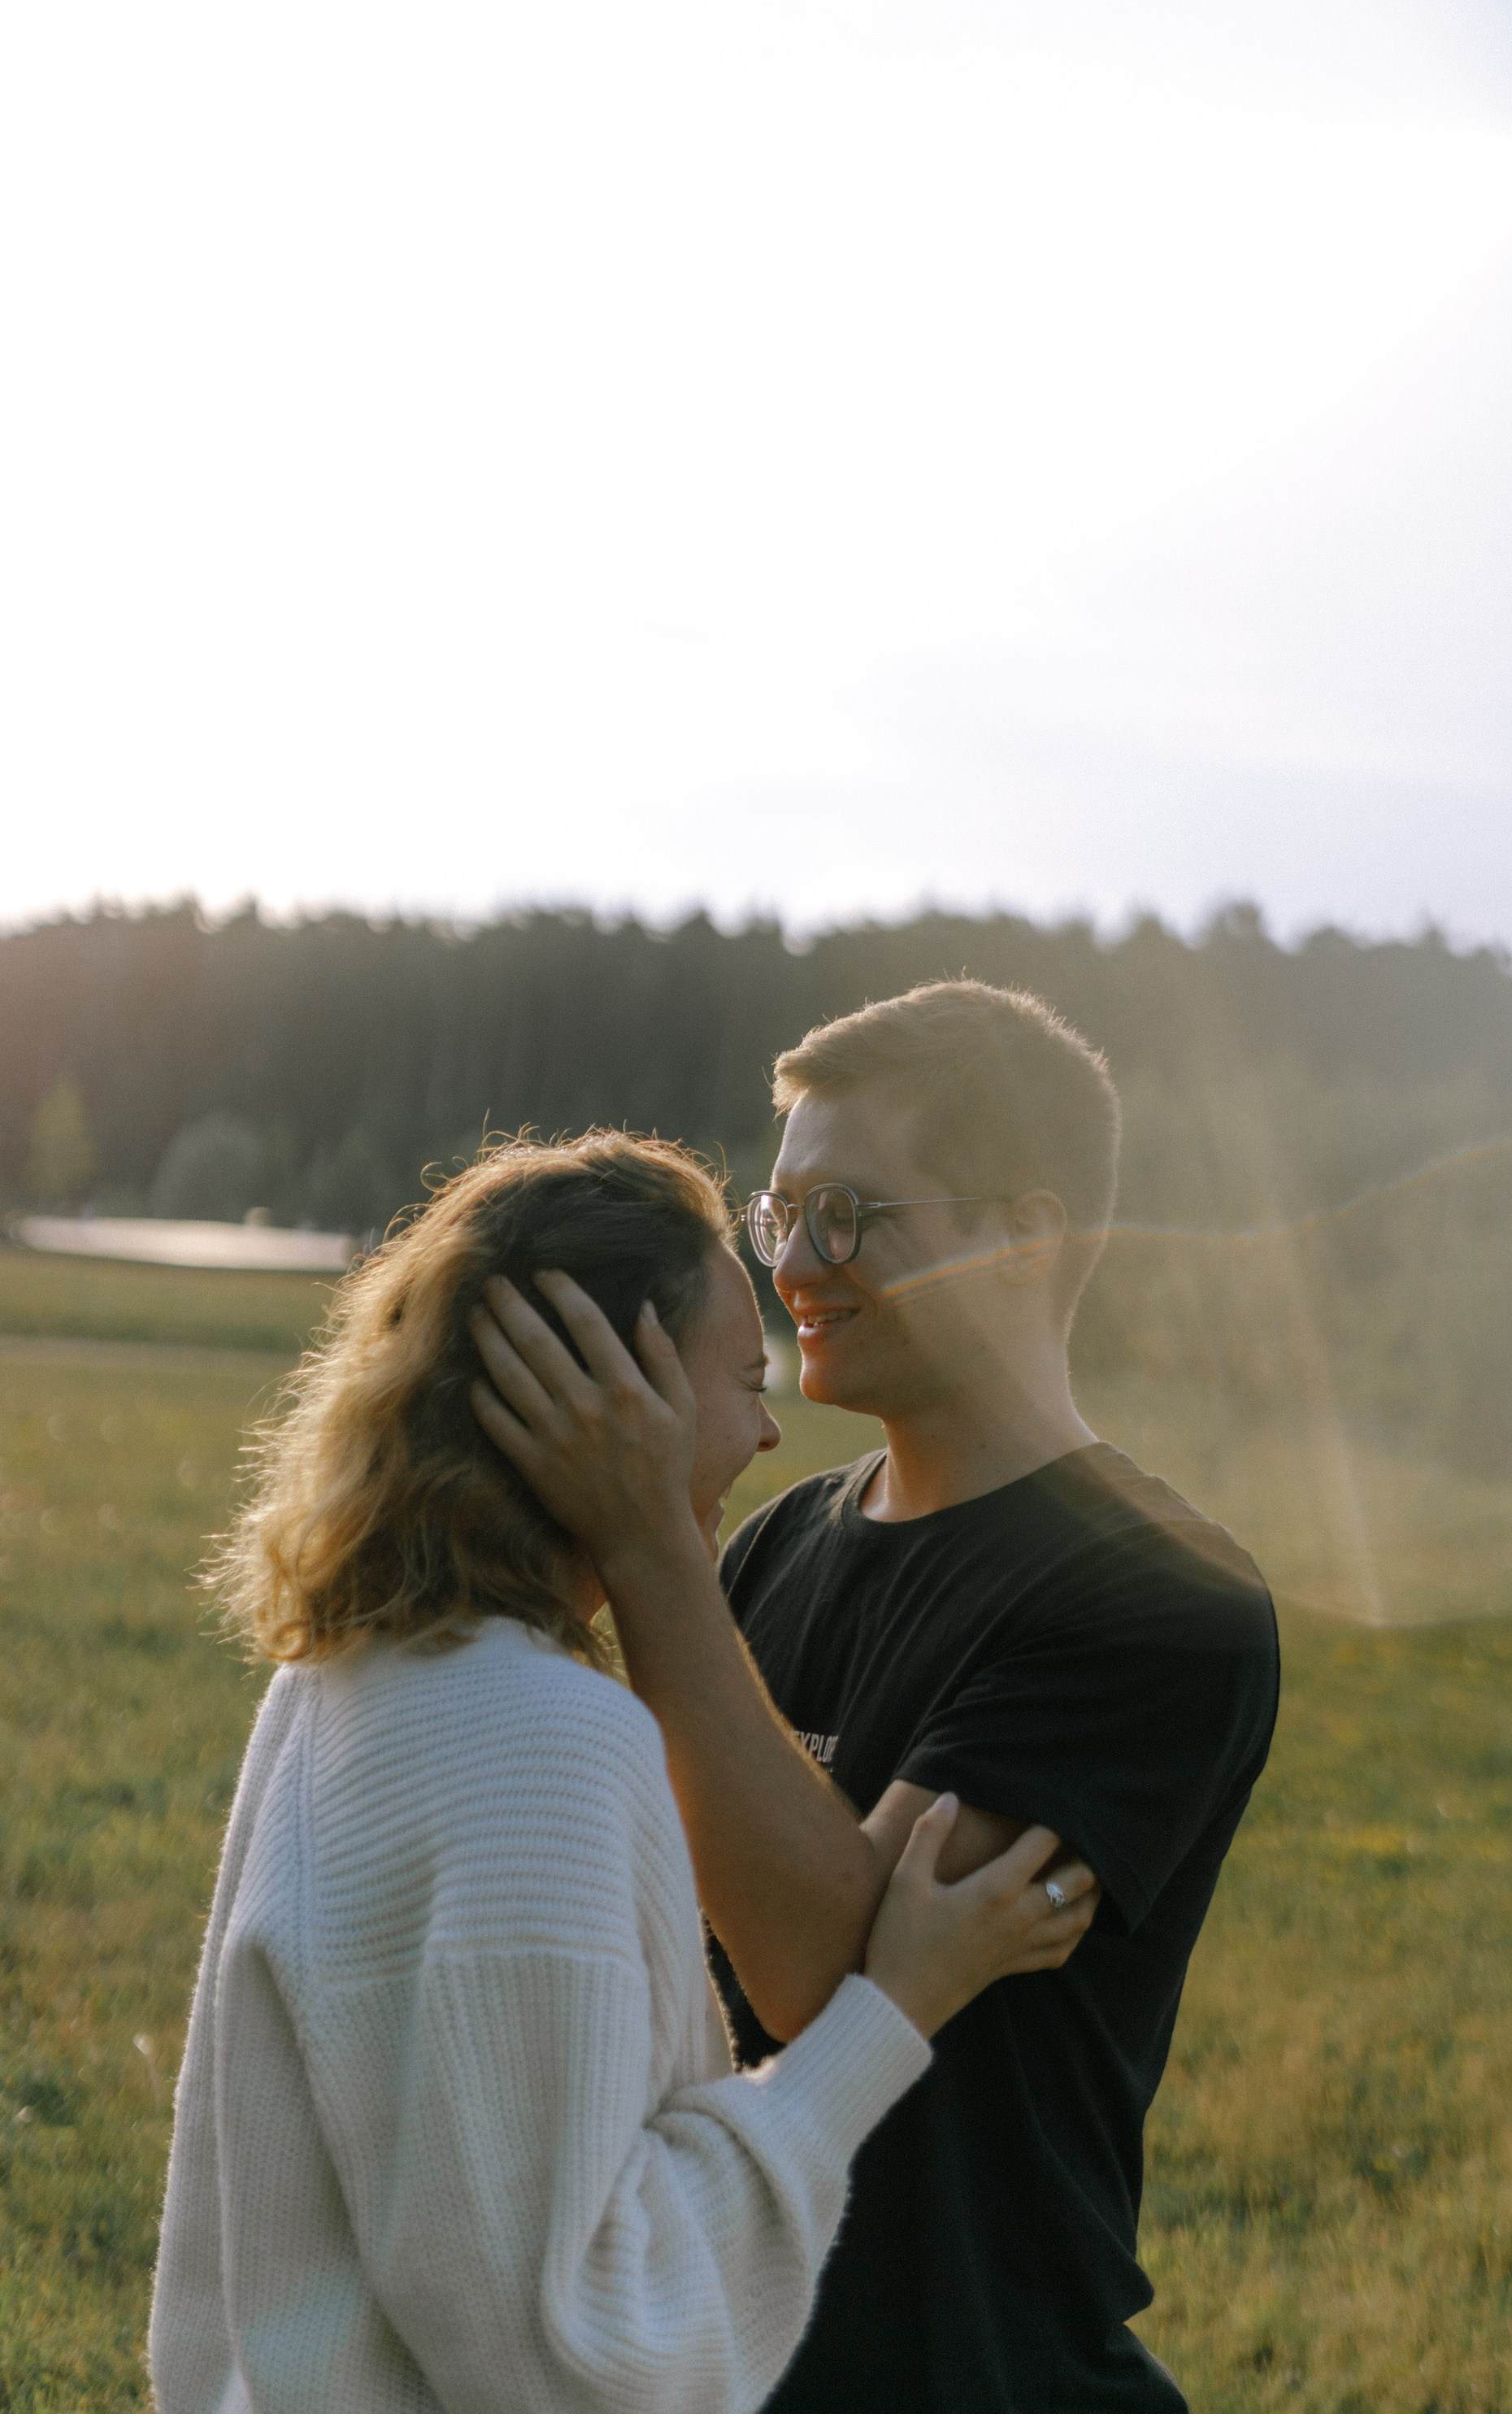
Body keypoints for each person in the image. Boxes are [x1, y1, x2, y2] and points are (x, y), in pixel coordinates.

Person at [150, 1132, 1096, 2414]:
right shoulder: (538, 1739)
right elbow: (587, 2345)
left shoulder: (332, 1686)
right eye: (740, 1379)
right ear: (611, 1391)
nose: (770, 1433)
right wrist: (893, 2013)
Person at [471, 982, 1281, 2412]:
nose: (795, 1267)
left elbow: (818, 1978)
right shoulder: (775, 1544)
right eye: (778, 1217)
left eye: (848, 1215)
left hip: (973, 2370)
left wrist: (653, 1546)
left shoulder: (1160, 1602)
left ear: (1024, 1238)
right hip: (703, 2356)